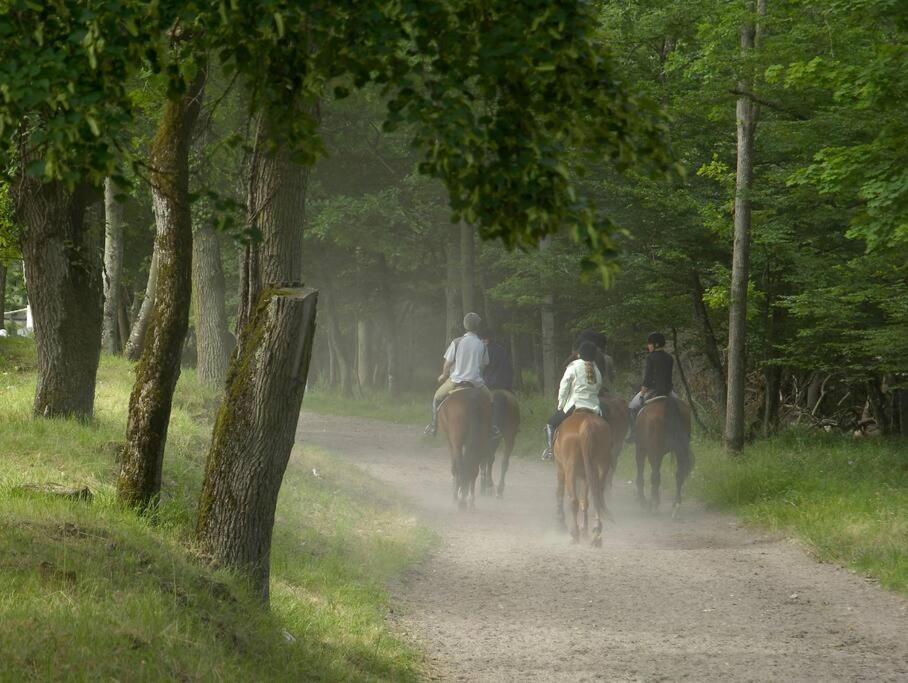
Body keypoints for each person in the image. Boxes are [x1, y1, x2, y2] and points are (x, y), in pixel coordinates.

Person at [424, 312, 494, 437]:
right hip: (476, 383)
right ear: (477, 327)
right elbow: (484, 365)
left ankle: (433, 427)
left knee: (436, 398)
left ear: (465, 326)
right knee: (491, 400)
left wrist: (444, 376)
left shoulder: (456, 342)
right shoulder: (482, 346)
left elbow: (447, 364)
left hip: (456, 381)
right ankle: (493, 428)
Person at [541, 341, 601, 461]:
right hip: (595, 407)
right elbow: (598, 385)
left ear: (580, 354)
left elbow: (564, 386)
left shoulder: (573, 366)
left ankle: (550, 451)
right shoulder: (596, 369)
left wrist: (561, 405)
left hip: (576, 404)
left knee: (550, 423)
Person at [627, 331, 678, 442]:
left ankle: (634, 434)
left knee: (631, 407)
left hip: (653, 391)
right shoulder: (670, 358)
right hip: (668, 391)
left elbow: (647, 379)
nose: (648, 346)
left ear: (656, 345)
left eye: (650, 344)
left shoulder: (651, 357)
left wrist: (643, 393)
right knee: (679, 406)